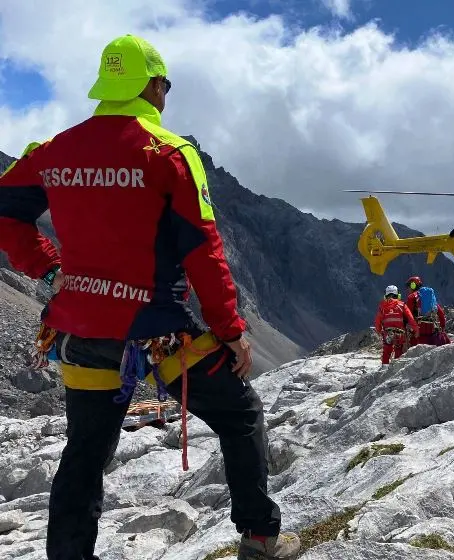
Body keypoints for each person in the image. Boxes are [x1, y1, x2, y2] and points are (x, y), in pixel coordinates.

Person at [0, 35, 300, 560]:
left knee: (87, 452)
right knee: (240, 415)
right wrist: (229, 330)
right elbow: (203, 250)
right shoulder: (169, 155)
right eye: (166, 86)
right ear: (153, 85)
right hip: (158, 332)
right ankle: (259, 537)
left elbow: (7, 211)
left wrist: (49, 271)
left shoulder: (52, 152)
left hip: (81, 329)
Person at [374, 284, 418, 364]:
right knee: (399, 350)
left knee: (386, 352)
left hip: (387, 333)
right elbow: (410, 318)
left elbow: (378, 321)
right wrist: (416, 330)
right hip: (400, 333)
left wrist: (379, 331)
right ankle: (396, 369)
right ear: (397, 295)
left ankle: (384, 369)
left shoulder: (382, 306)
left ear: (386, 295)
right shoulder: (402, 305)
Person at [404, 276, 449, 346]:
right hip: (431, 334)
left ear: (413, 285)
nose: (408, 289)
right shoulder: (430, 298)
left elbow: (407, 315)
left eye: (409, 286)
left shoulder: (412, 297)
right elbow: (441, 314)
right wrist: (442, 328)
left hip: (417, 335)